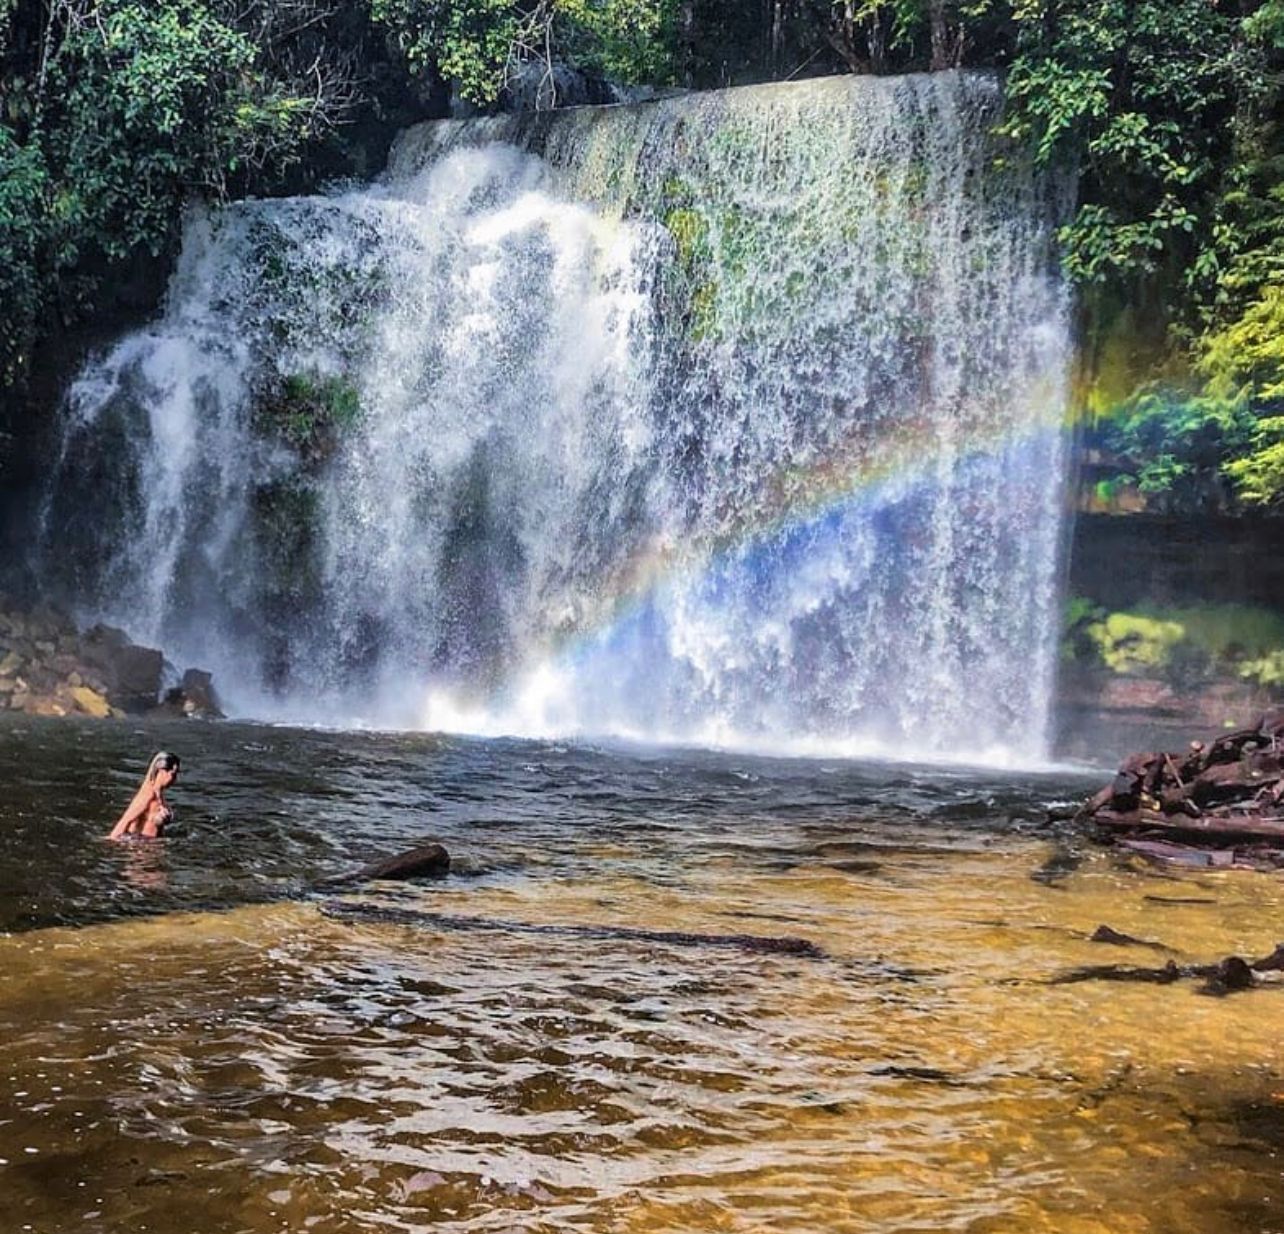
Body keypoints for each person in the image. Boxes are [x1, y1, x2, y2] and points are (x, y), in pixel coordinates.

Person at [108, 751, 181, 840]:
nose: (174, 780)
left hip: (152, 844)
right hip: (142, 846)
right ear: (161, 771)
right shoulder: (147, 795)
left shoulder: (158, 796)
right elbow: (124, 822)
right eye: (173, 774)